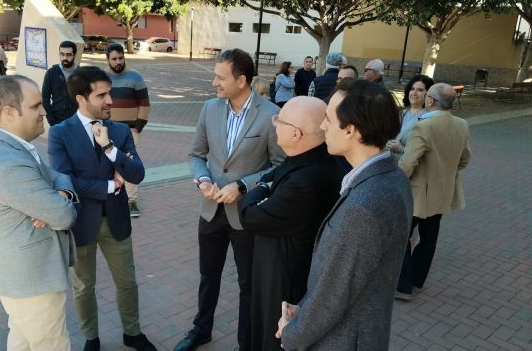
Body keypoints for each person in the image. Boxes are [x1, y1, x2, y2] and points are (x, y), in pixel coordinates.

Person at [275, 79, 413, 350]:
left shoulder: (364, 207)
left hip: (343, 341)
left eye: (328, 118)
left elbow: (335, 296)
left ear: (350, 130)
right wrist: (303, 309)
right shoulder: (392, 177)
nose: (323, 126)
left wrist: (291, 333)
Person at [175, 48, 285, 351]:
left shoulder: (271, 114)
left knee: (248, 285)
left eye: (220, 77)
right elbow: (196, 155)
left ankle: (246, 342)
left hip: (246, 215)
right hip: (209, 210)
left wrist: (243, 186)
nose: (214, 83)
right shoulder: (210, 108)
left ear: (241, 80)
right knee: (208, 275)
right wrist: (203, 179)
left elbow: (279, 167)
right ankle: (201, 329)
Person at [47, 66, 156, 351]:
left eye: (110, 93)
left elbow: (138, 173)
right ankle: (91, 338)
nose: (111, 100)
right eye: (102, 95)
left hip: (116, 221)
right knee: (84, 287)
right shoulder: (60, 133)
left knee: (128, 283)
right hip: (81, 223)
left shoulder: (119, 131)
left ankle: (132, 333)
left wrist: (109, 148)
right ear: (81, 99)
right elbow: (65, 180)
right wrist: (109, 186)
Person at [0, 75, 78, 351]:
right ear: (9, 113)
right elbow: (64, 216)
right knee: (52, 345)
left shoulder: (10, 146)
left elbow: (57, 176)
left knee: (22, 344)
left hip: (24, 280)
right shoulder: (8, 162)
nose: (44, 111)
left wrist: (60, 194)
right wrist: (57, 202)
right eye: (35, 106)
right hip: (32, 282)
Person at [238, 96, 341, 351]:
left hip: (283, 275)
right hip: (281, 262)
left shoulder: (304, 181)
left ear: (295, 134)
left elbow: (249, 214)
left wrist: (261, 188)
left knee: (272, 335)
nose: (274, 125)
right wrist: (266, 186)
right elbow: (271, 177)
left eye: (278, 120)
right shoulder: (308, 158)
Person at [395, 83, 471, 300]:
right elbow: (465, 159)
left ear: (430, 101)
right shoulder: (461, 124)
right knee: (429, 239)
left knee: (401, 237)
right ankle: (417, 280)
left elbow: (407, 163)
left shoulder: (424, 126)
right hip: (443, 191)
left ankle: (403, 286)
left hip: (417, 193)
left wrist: (396, 183)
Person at [104, 43, 150, 218]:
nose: (118, 62)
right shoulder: (102, 77)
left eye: (121, 58)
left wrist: (138, 127)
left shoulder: (135, 77)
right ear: (107, 59)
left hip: (130, 130)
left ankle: (132, 201)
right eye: (114, 59)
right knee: (107, 164)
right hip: (107, 130)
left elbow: (144, 104)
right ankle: (110, 196)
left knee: (129, 164)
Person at [387, 75, 435, 156]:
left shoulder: (429, 118)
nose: (414, 93)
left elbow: (429, 153)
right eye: (412, 89)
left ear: (429, 94)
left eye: (420, 90)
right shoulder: (401, 113)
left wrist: (402, 150)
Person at [42, 40, 79, 126]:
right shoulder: (51, 73)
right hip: (57, 120)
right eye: (62, 54)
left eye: (68, 55)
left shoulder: (81, 73)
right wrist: (51, 120)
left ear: (75, 55)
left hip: (77, 120)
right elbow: (45, 98)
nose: (65, 58)